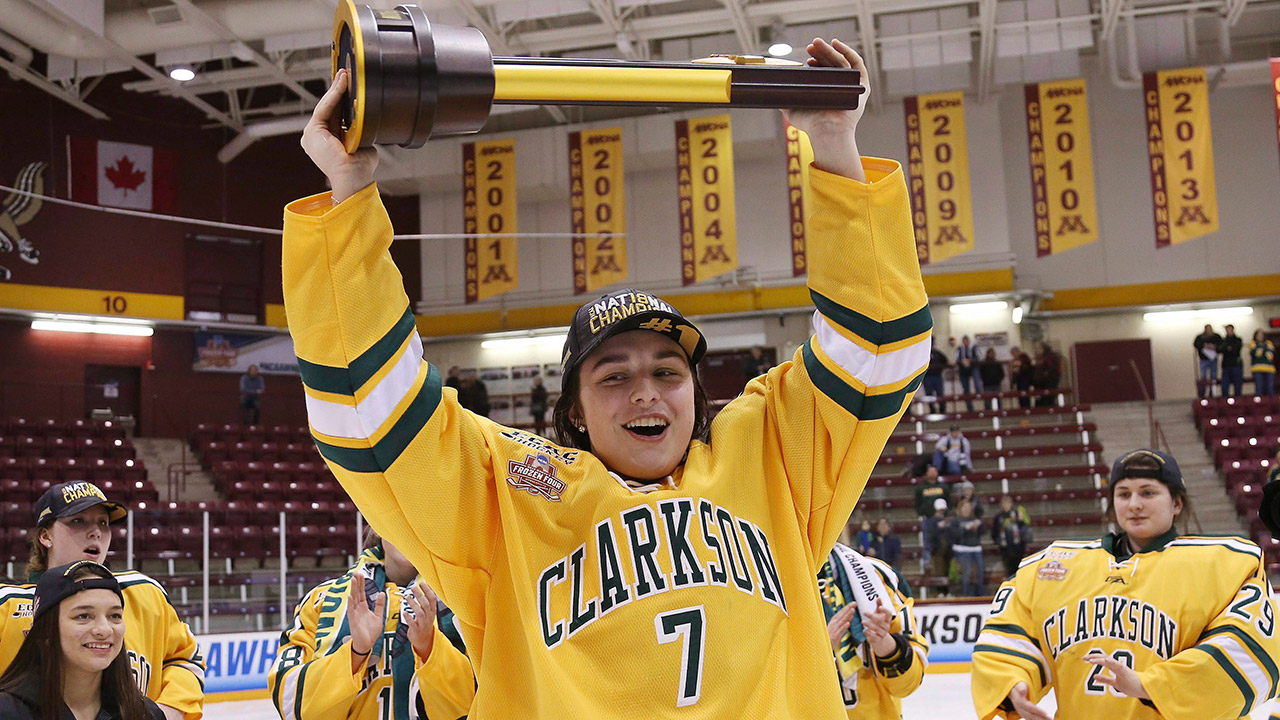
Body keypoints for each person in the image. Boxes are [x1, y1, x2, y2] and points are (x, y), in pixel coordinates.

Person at [285, 40, 930, 718]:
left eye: (667, 371)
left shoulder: (769, 461)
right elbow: (370, 413)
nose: (646, 391)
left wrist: (832, 143)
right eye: (613, 375)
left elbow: (878, 348)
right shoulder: (517, 494)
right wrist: (350, 186)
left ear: (697, 394)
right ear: (577, 414)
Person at [972, 449, 1280, 720]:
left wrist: (1151, 686)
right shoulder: (1052, 567)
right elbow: (1013, 632)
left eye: (1148, 493)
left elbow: (1252, 652)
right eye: (1123, 494)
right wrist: (1014, 683)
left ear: (1176, 503)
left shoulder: (1228, 563)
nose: (1134, 504)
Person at [0, 482, 204, 720]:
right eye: (78, 521)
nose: (95, 532)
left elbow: (184, 658)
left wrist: (167, 713)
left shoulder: (145, 592)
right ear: (46, 536)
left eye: (103, 523)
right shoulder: (7, 604)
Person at [268, 531, 474, 720]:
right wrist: (355, 653)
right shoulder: (320, 599)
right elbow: (291, 702)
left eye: (416, 522)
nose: (409, 530)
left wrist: (429, 647)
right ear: (379, 525)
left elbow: (474, 706)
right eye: (399, 519)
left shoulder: (464, 607)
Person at [0, 561, 166, 720]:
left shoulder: (146, 714)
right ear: (46, 631)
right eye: (83, 616)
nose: (104, 630)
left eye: (114, 616)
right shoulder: (8, 712)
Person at [818, 543, 928, 718]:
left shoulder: (875, 574)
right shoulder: (766, 582)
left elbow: (907, 685)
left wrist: (885, 645)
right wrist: (818, 653)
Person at [946, 499, 985, 596]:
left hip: (975, 549)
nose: (967, 510)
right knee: (966, 574)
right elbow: (953, 535)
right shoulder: (955, 521)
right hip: (962, 550)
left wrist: (979, 526)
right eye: (965, 507)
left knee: (979, 574)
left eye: (968, 507)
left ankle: (979, 596)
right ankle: (966, 595)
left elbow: (983, 532)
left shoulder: (974, 519)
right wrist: (965, 528)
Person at [913, 466, 948, 567]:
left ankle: (943, 564)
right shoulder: (921, 488)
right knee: (927, 543)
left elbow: (948, 500)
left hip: (941, 519)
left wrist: (944, 514)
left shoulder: (943, 487)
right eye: (930, 471)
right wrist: (922, 512)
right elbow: (917, 503)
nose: (932, 473)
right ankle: (927, 564)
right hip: (928, 519)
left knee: (943, 542)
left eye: (934, 471)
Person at [990, 494, 1031, 577]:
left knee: (1019, 569)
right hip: (1005, 548)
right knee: (1009, 571)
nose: (1006, 506)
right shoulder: (998, 517)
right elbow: (994, 532)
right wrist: (998, 542)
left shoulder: (1017, 515)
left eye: (1008, 503)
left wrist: (1020, 521)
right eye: (1004, 503)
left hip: (1018, 548)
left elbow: (1024, 528)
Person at [921, 498, 952, 577]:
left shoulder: (947, 521)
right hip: (934, 552)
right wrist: (939, 527)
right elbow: (930, 536)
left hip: (944, 553)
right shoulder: (929, 521)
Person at [1193, 324, 1223, 399]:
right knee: (1203, 377)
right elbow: (1196, 344)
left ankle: (1212, 393)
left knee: (1213, 377)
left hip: (1213, 359)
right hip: (1203, 359)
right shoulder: (1200, 337)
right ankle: (1202, 394)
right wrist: (1204, 345)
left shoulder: (1216, 337)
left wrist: (1214, 347)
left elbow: (1221, 346)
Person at [922, 340, 949, 414]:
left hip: (937, 377)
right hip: (927, 377)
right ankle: (932, 409)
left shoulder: (938, 353)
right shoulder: (923, 354)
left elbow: (946, 361)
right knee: (929, 394)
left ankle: (942, 409)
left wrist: (940, 369)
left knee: (940, 393)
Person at [955, 336, 981, 411]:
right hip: (963, 370)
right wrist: (963, 361)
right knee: (966, 389)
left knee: (977, 379)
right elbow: (957, 359)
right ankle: (970, 407)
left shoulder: (974, 347)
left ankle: (978, 392)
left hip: (973, 367)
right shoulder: (959, 349)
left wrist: (970, 361)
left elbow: (979, 357)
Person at [1032, 342, 1061, 408]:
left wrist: (1045, 374)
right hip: (1041, 383)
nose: (1037, 350)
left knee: (1048, 399)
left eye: (1038, 348)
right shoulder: (1040, 358)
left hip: (1048, 382)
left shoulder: (1048, 357)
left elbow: (1051, 369)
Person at [1220, 324, 1244, 397]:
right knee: (1224, 386)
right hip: (1226, 365)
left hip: (1236, 365)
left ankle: (1238, 401)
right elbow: (1221, 349)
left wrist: (1227, 348)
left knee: (1237, 385)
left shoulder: (1238, 339)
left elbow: (1235, 351)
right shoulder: (1223, 340)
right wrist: (1228, 348)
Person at [1250, 329, 1276, 396]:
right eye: (1258, 335)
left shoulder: (1269, 343)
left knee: (1270, 387)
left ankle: (1271, 404)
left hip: (1269, 369)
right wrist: (1265, 351)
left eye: (1261, 334)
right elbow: (1256, 353)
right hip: (1257, 369)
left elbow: (1270, 355)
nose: (1260, 336)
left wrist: (1261, 351)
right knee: (1259, 388)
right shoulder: (1253, 343)